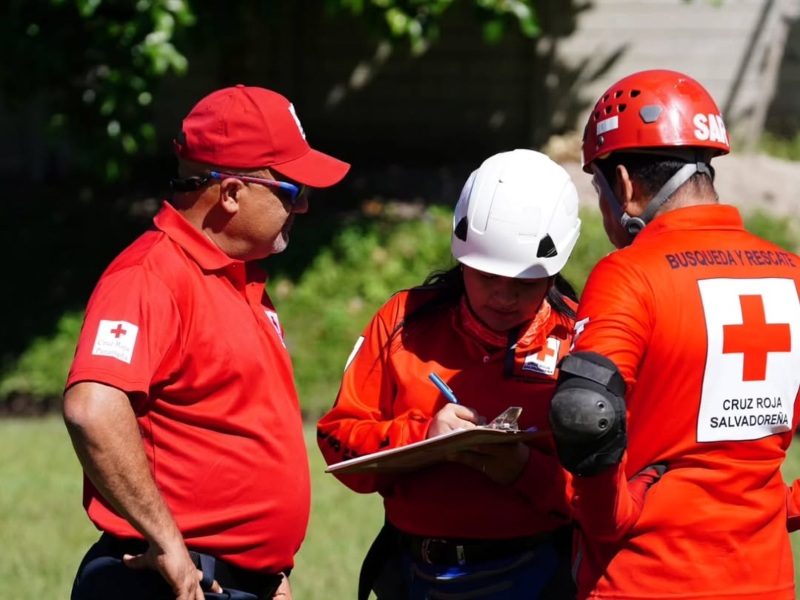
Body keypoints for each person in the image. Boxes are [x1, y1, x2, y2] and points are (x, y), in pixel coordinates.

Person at [62, 84, 350, 600]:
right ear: (232, 192)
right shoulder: (150, 276)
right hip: (170, 582)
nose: (304, 206)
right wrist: (168, 543)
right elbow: (92, 408)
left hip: (233, 581)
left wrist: (267, 570)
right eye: (292, 191)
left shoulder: (238, 277)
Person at [548, 69, 800, 600]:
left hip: (643, 579)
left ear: (622, 184)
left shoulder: (629, 275)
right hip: (765, 580)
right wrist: (783, 506)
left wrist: (609, 519)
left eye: (599, 188)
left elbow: (583, 413)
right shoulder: (792, 274)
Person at [317, 148, 583, 600]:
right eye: (486, 277)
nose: (503, 297)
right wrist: (423, 438)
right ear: (462, 260)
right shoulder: (403, 321)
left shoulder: (582, 337)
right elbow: (337, 443)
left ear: (553, 274)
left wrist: (524, 470)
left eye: (524, 284)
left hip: (541, 574)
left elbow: (610, 490)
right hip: (413, 574)